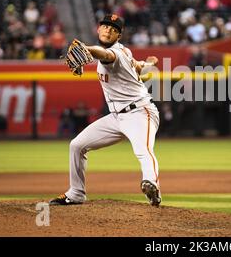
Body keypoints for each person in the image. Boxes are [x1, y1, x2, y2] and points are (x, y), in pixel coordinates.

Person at [50, 14, 161, 206]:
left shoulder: (114, 54)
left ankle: (151, 184)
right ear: (98, 29)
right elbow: (137, 64)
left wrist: (86, 50)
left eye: (114, 29)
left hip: (141, 113)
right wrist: (147, 63)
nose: (108, 30)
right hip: (116, 117)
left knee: (143, 150)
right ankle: (76, 193)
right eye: (105, 26)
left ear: (118, 35)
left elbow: (103, 54)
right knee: (77, 145)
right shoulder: (126, 53)